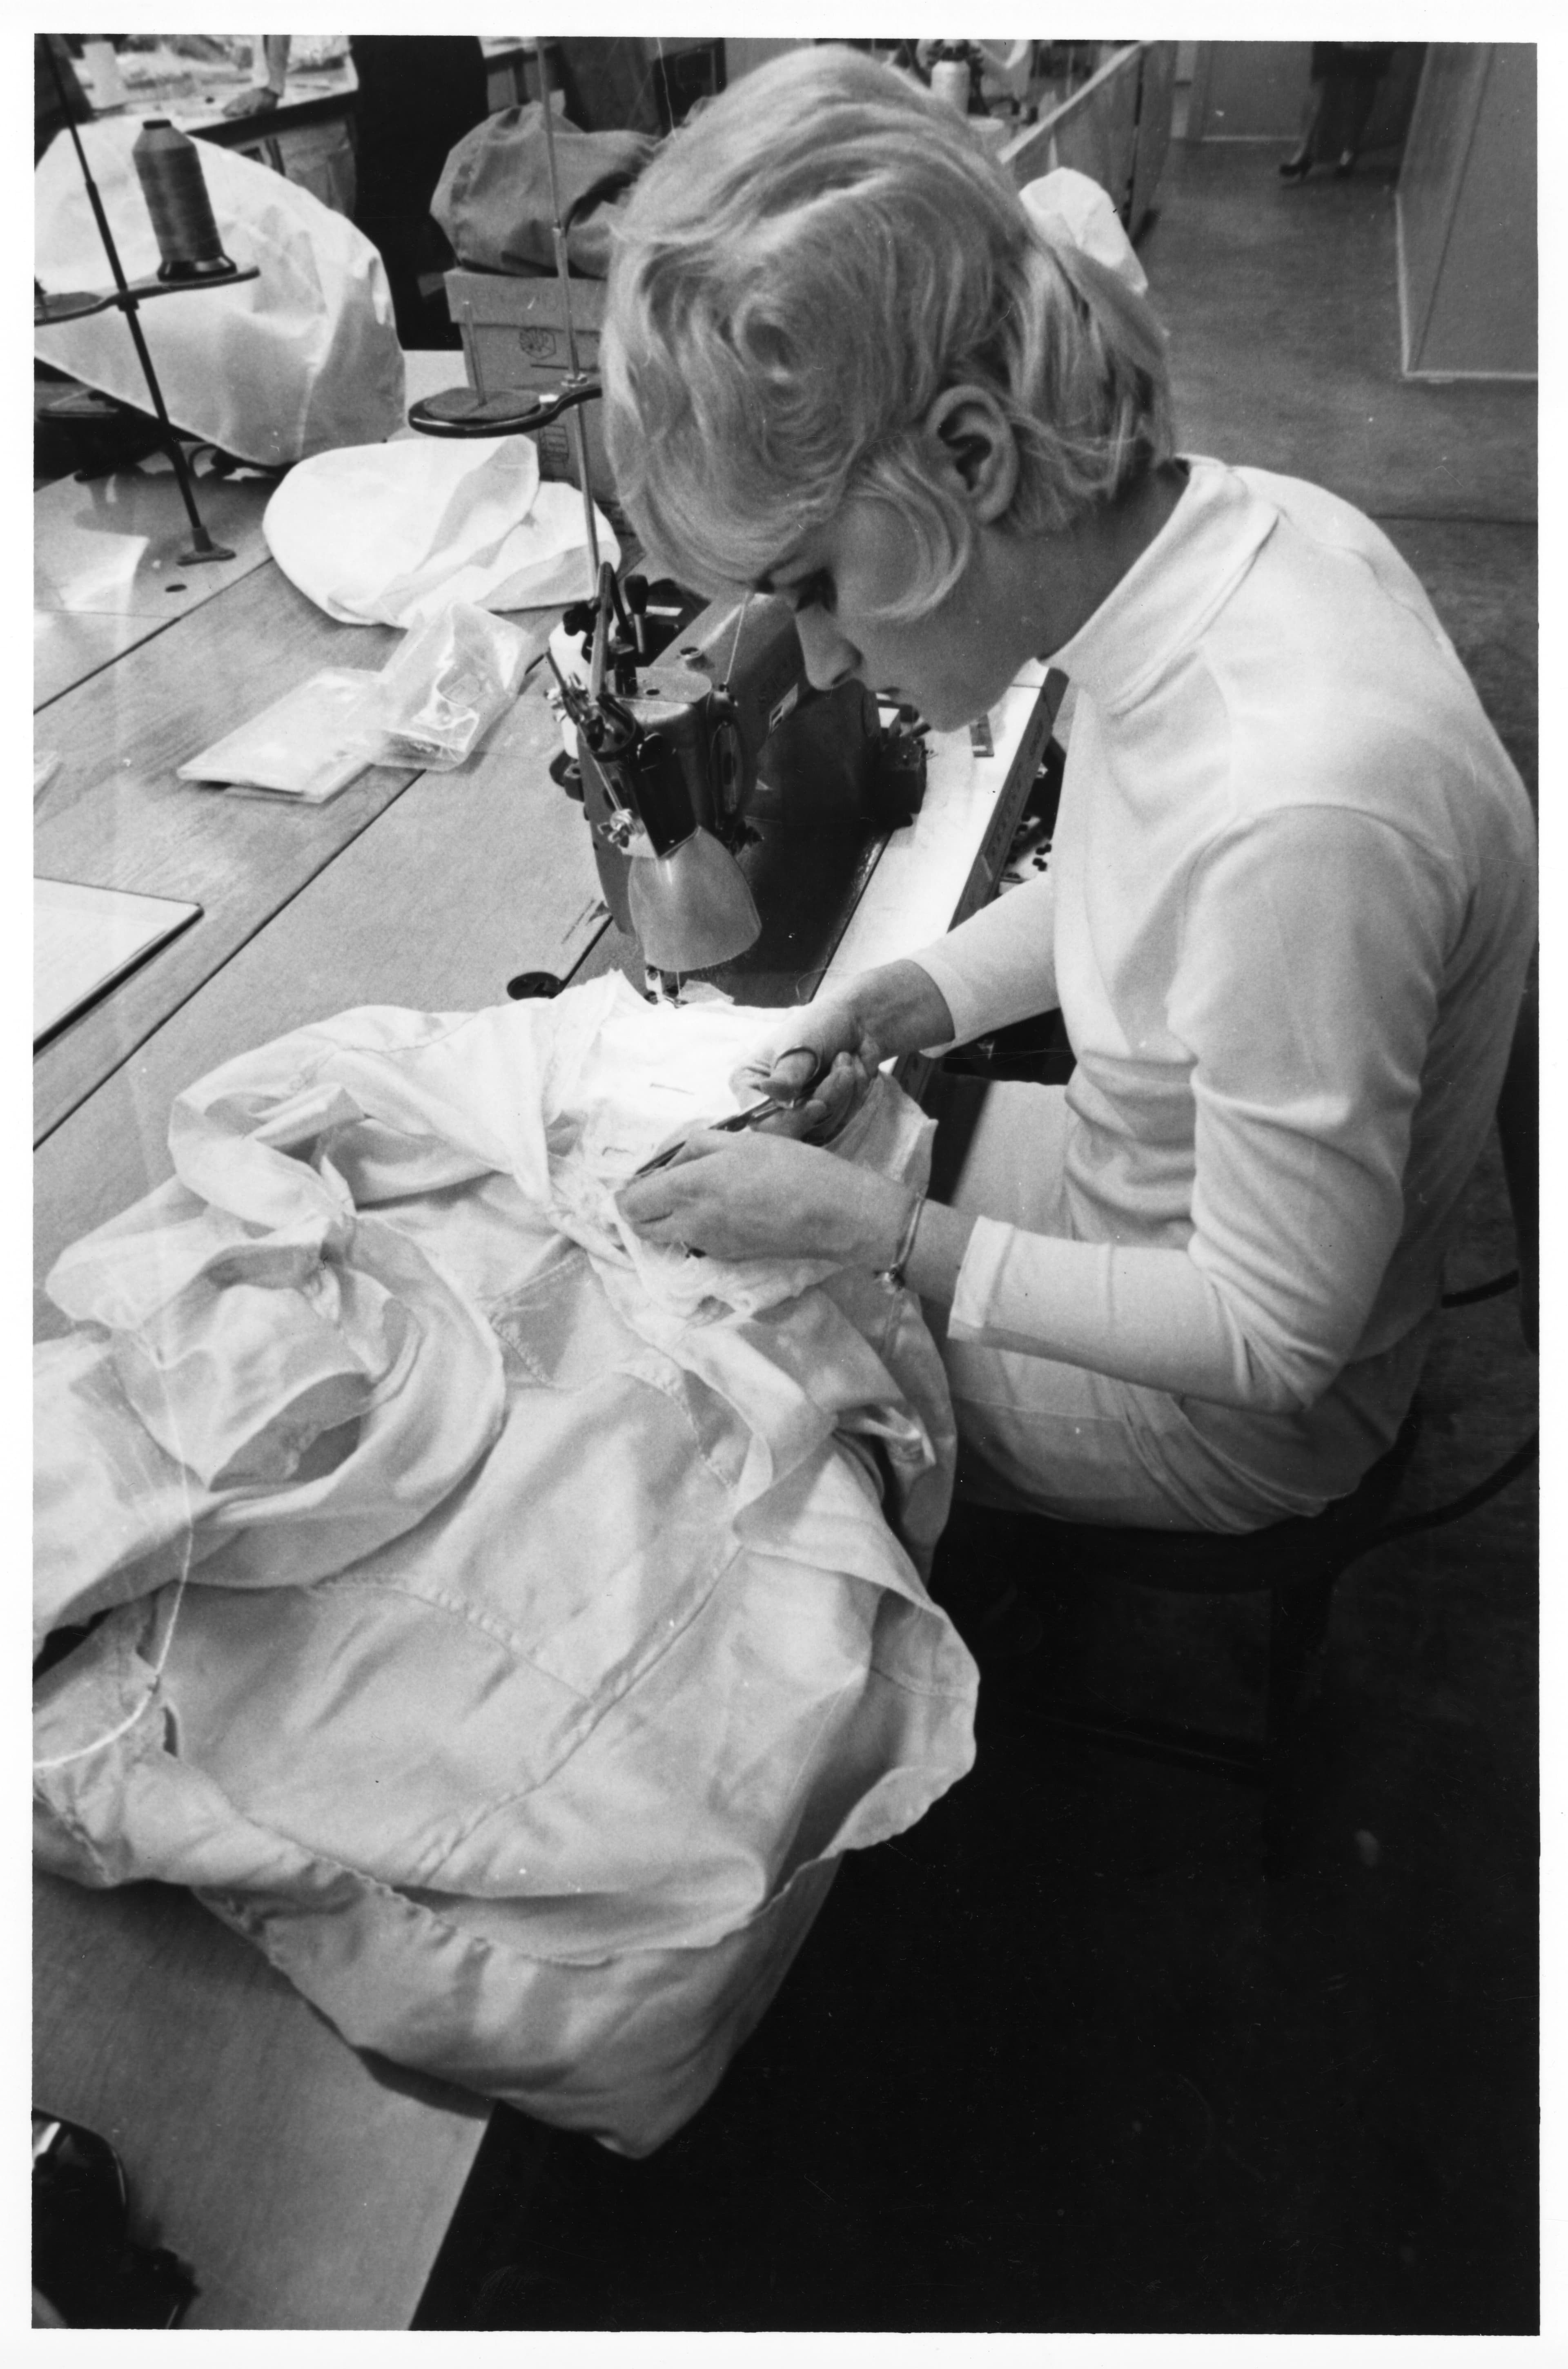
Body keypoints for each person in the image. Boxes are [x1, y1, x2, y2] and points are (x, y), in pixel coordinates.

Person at [608, 46, 1535, 1534]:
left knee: (694, 1389)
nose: (829, 663)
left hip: (1222, 1401)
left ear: (966, 456)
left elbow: (1271, 1341)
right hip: (1149, 1189)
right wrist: (910, 996)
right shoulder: (1241, 539)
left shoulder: (1298, 799)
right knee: (758, 1233)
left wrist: (888, 1234)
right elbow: (1149, 891)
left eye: (819, 588)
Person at [226, 35, 490, 345]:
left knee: (381, 230)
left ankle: (420, 348)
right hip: (453, 53)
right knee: (463, 200)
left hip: (402, 66)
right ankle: (483, 337)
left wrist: (271, 84)